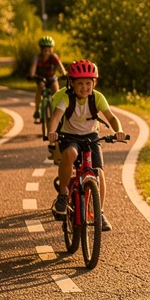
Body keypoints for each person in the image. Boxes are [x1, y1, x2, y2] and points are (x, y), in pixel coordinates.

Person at [48, 60, 126, 232]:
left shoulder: (97, 98)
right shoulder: (66, 97)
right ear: (72, 84)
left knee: (98, 171)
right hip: (69, 136)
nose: (84, 87)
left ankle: (100, 212)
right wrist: (52, 133)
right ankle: (62, 196)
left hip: (91, 136)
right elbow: (55, 117)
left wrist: (118, 130)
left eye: (88, 83)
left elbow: (112, 117)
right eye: (80, 83)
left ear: (94, 83)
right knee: (70, 154)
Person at [29, 36, 66, 123]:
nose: (46, 52)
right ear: (41, 50)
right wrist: (32, 75)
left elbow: (60, 66)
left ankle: (57, 112)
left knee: (57, 91)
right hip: (41, 78)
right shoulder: (37, 57)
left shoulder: (54, 57)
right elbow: (34, 66)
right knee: (40, 87)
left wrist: (64, 74)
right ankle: (37, 110)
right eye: (44, 50)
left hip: (51, 78)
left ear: (52, 49)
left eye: (49, 50)